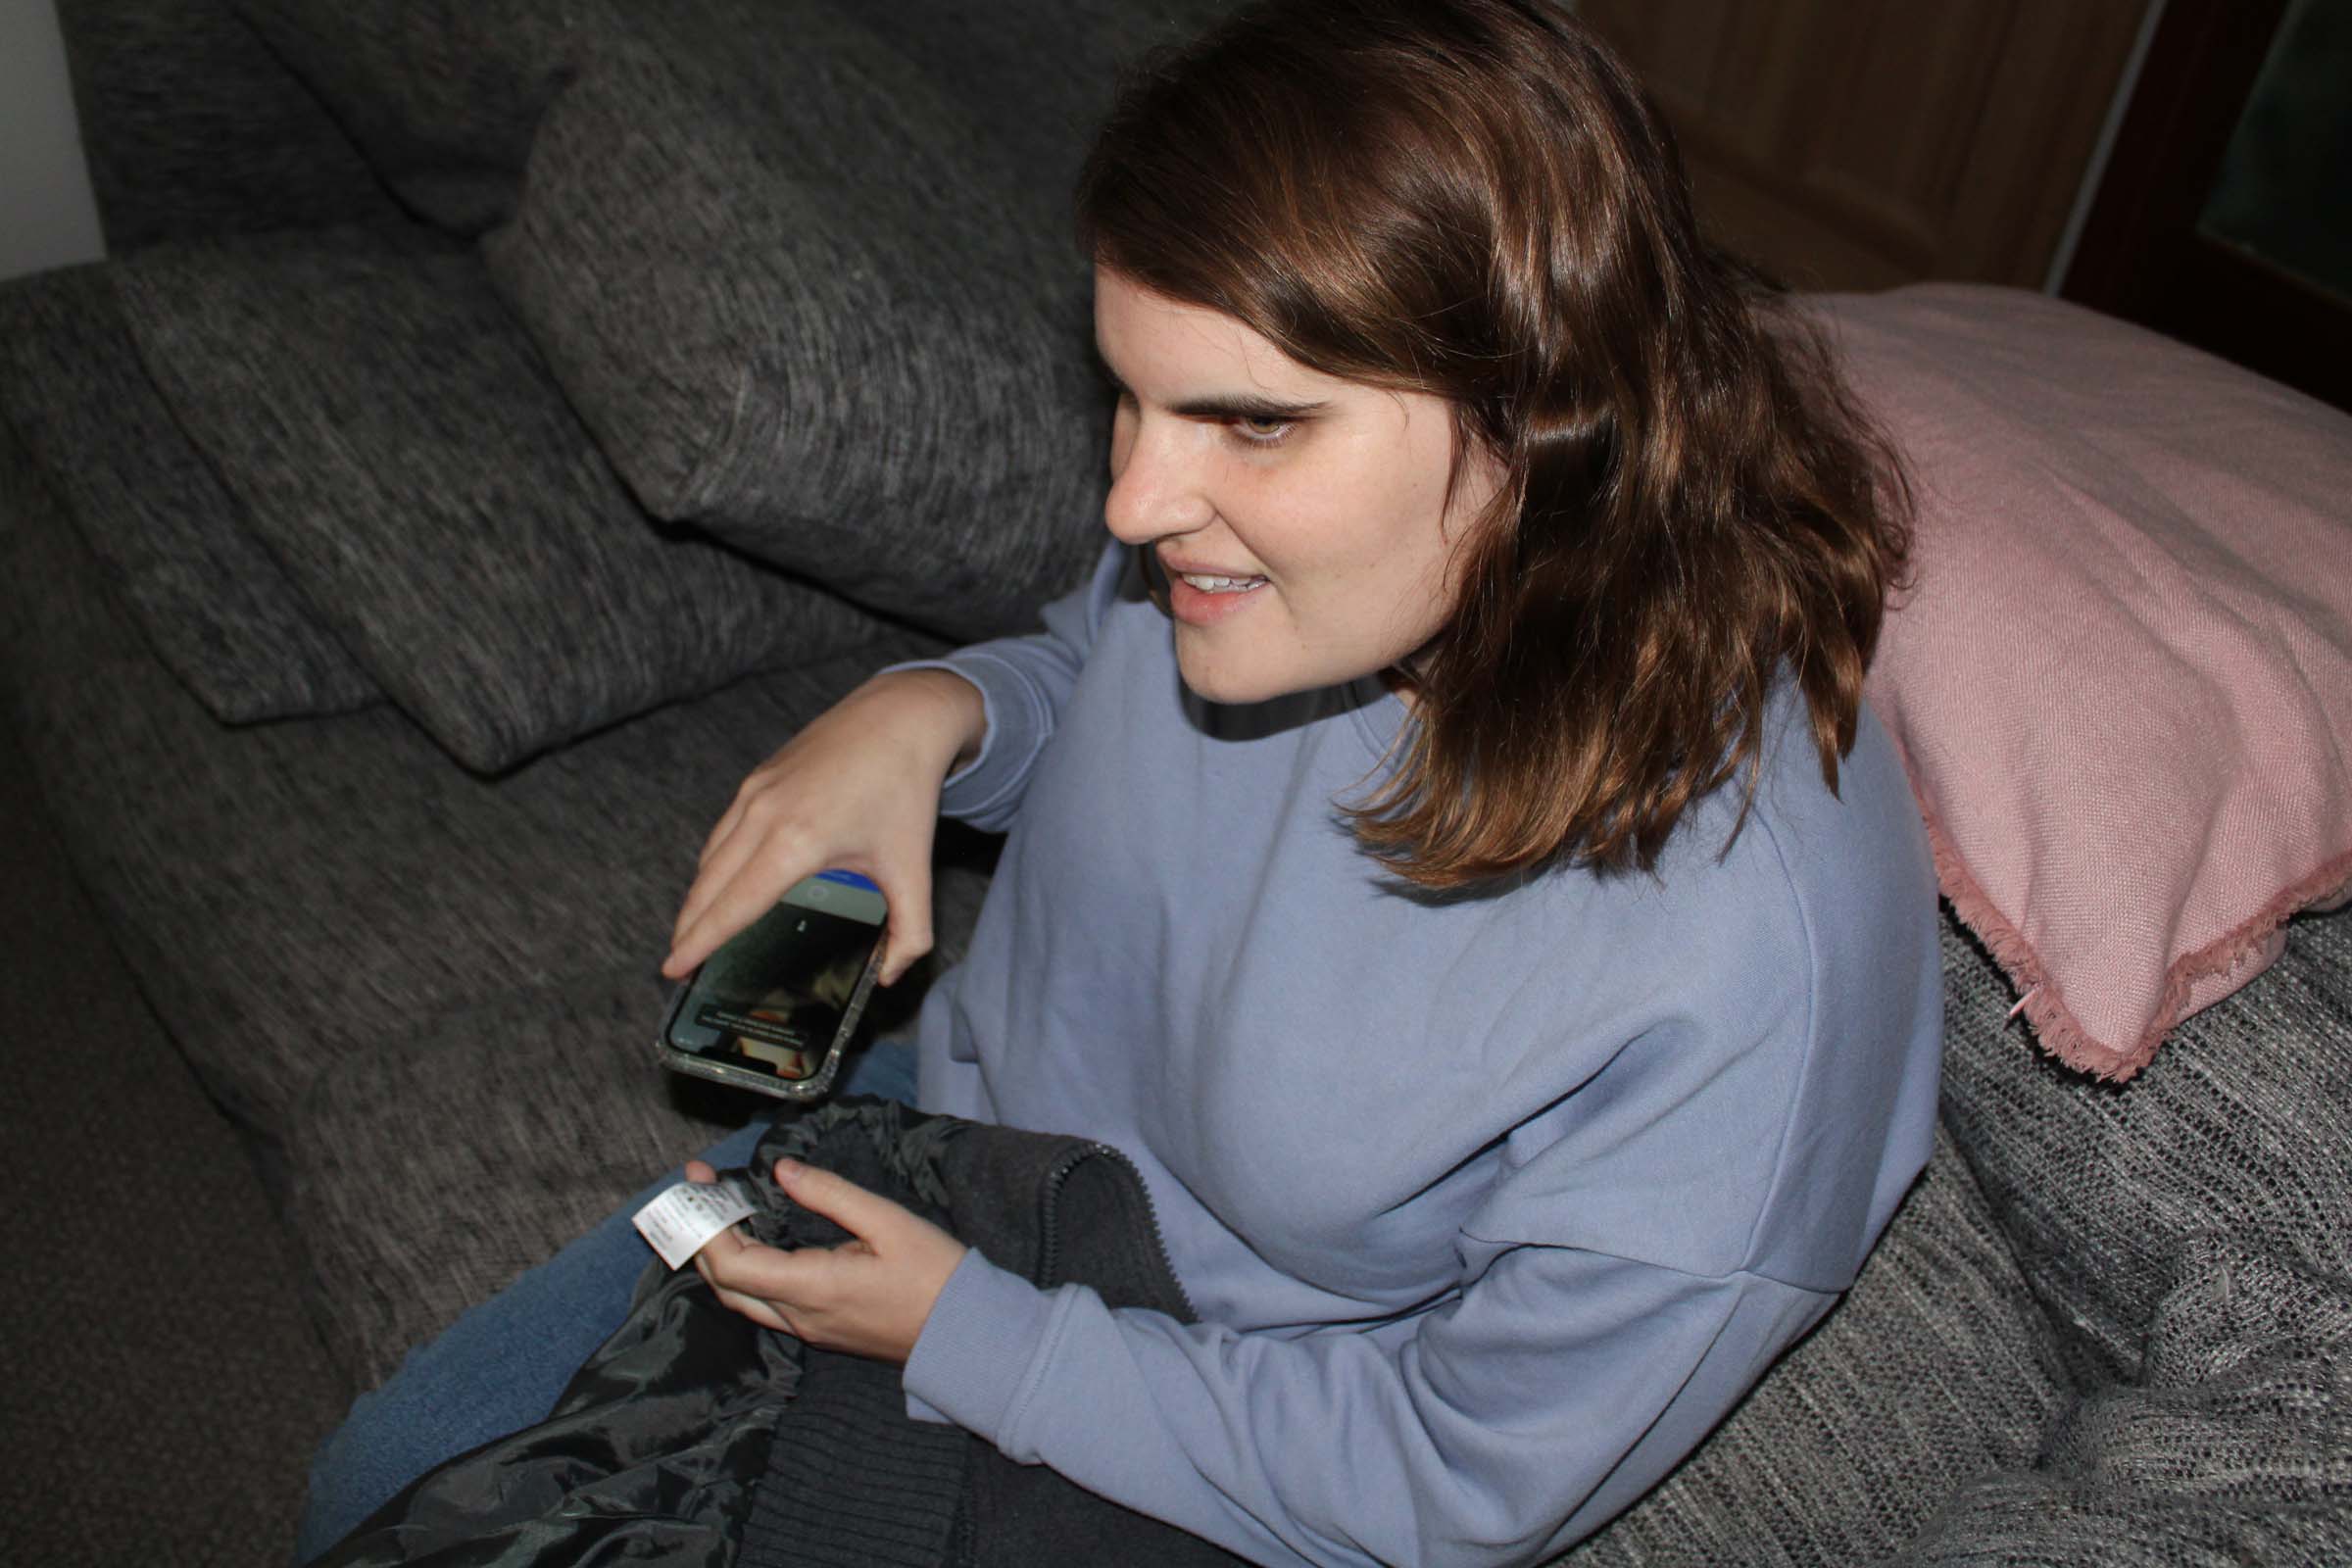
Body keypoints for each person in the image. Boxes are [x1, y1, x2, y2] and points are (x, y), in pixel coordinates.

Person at [297, 1, 1942, 1562]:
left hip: (1173, 1405)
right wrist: (928, 714)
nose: (1142, 501)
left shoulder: (1749, 963)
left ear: (1551, 413)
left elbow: (1456, 1477)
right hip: (924, 1157)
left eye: (1251, 423)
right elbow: (1098, 669)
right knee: (383, 1476)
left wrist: (976, 1336)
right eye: (1131, 401)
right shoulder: (1319, 576)